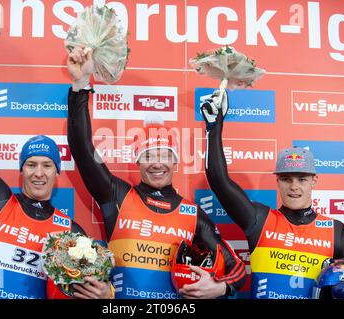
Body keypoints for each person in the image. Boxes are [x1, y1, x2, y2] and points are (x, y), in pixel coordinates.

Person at [65, 46, 246, 299]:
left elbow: (236, 268)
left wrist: (222, 287)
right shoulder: (116, 194)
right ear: (138, 162)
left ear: (175, 163)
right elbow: (83, 150)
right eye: (148, 155)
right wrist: (81, 84)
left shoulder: (191, 214)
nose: (157, 163)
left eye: (165, 155)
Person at [0, 53, 113, 299]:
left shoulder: (69, 231)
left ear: (56, 171)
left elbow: (93, 287)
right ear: (21, 169)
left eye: (47, 165)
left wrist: (107, 294)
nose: (38, 173)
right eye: (31, 164)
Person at [200, 89, 344, 299]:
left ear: (314, 181)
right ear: (278, 182)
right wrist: (214, 127)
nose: (294, 186)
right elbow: (219, 182)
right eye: (286, 179)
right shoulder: (259, 219)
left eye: (302, 179)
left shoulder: (334, 231)